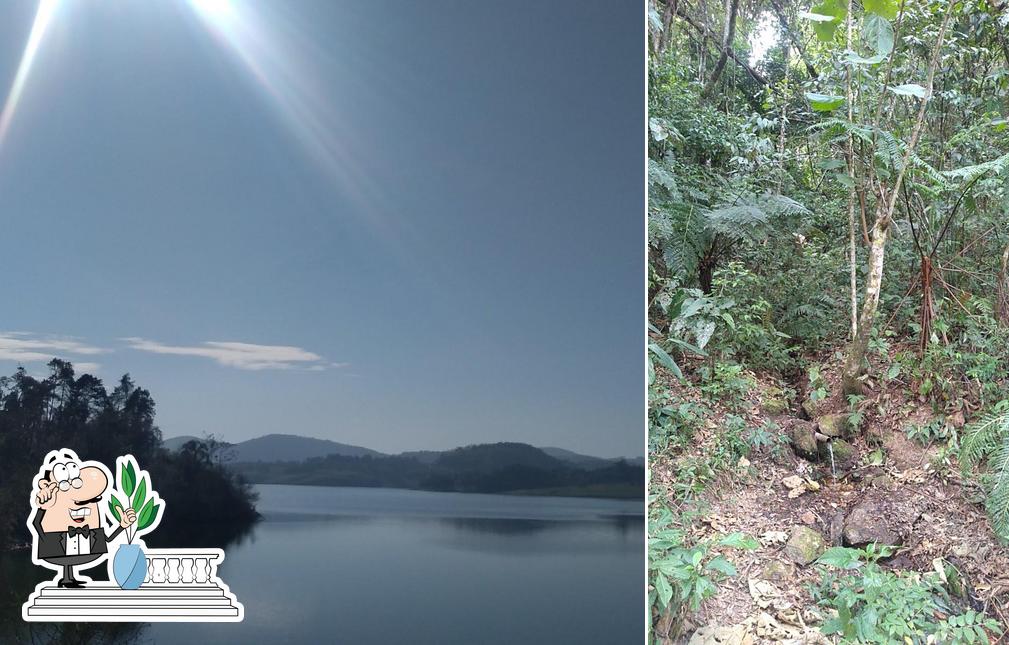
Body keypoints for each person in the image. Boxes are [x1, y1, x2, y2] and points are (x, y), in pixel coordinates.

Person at [29, 450, 137, 588]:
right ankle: (67, 579)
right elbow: (35, 522)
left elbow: (108, 539)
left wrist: (122, 525)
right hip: (57, 542)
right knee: (66, 558)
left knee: (70, 558)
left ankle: (69, 578)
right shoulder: (49, 502)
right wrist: (46, 539)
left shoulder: (92, 532)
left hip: (83, 541)